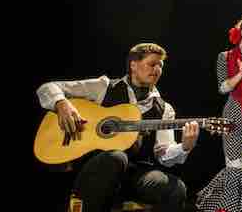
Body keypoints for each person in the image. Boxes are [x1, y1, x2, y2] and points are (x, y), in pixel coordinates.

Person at [36, 43, 198, 212]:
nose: (157, 69)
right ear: (133, 65)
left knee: (176, 188)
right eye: (152, 64)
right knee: (116, 157)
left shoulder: (164, 108)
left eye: (160, 65)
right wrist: (62, 104)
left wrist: (185, 147)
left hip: (135, 174)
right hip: (97, 168)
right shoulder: (104, 87)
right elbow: (48, 87)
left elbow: (163, 155)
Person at [195, 16, 242, 212]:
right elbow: (222, 88)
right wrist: (240, 74)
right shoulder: (225, 56)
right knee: (236, 166)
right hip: (234, 114)